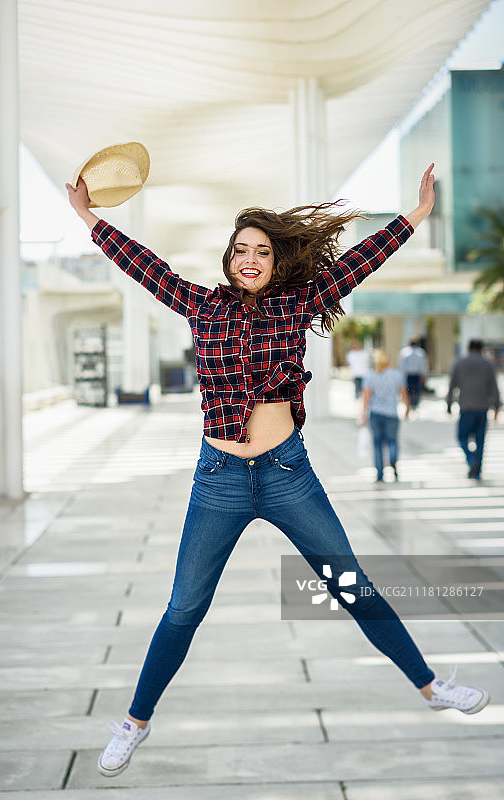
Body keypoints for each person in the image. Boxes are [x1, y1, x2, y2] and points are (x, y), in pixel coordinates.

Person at [65, 163, 489, 779]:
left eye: (262, 251)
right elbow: (143, 262)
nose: (252, 259)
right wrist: (86, 216)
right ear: (228, 259)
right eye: (242, 250)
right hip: (220, 479)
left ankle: (430, 686)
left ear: (274, 261)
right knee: (184, 607)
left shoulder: (298, 304)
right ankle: (134, 722)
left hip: (289, 473)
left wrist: (417, 214)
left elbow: (360, 262)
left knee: (351, 587)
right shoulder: (201, 306)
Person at [446, 339, 500, 479]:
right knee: (480, 440)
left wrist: (449, 404)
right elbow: (494, 387)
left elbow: (452, 385)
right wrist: (497, 406)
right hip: (482, 407)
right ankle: (477, 472)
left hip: (466, 407)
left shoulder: (460, 363)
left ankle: (471, 460)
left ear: (468, 348)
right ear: (481, 349)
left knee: (462, 437)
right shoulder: (488, 364)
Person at [361, 350, 408, 482]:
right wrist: (407, 408)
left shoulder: (370, 376)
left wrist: (363, 414)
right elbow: (403, 393)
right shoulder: (397, 375)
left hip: (375, 414)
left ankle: (380, 474)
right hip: (392, 413)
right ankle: (393, 459)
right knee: (392, 440)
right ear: (388, 361)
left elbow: (366, 397)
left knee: (377, 444)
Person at [399, 336, 428, 411]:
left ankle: (410, 405)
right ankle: (414, 405)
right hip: (416, 375)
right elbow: (423, 365)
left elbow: (402, 365)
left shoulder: (405, 352)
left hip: (408, 375)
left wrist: (402, 375)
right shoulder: (420, 352)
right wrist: (424, 375)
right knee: (416, 390)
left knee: (409, 390)